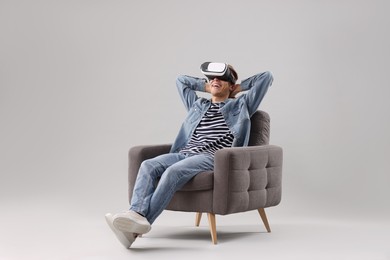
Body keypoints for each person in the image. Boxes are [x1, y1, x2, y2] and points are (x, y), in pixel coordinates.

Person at [105, 62, 273, 248]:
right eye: (212, 78)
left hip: (211, 157)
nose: (215, 80)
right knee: (148, 165)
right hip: (184, 153)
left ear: (230, 85)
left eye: (222, 78)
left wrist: (238, 87)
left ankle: (136, 228)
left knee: (172, 172)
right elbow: (180, 81)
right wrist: (206, 85)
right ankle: (135, 215)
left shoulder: (241, 105)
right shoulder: (197, 105)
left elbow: (266, 77)